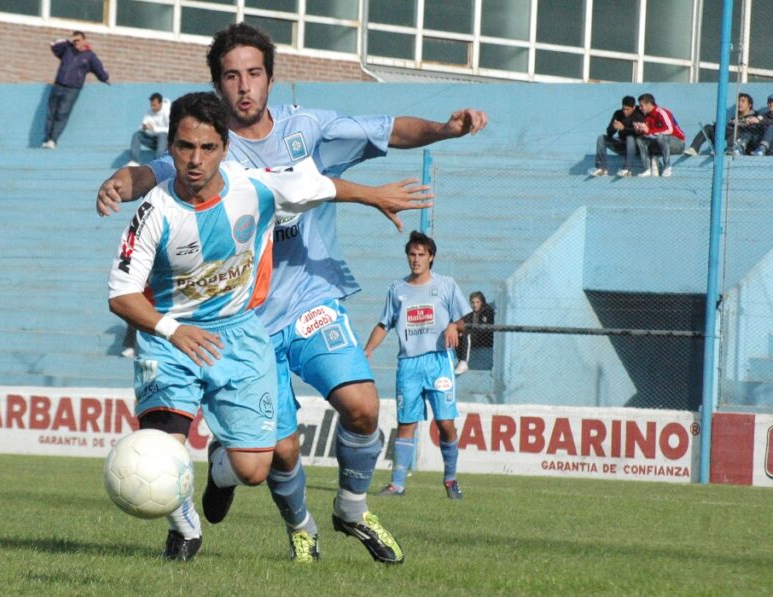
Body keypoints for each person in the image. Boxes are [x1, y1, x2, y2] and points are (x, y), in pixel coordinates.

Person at [97, 23, 486, 565]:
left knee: (361, 406)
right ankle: (293, 520)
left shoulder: (311, 130)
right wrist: (123, 181)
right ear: (217, 85)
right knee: (275, 457)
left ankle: (351, 510)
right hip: (246, 319)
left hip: (309, 300)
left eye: (254, 73)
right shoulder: (207, 148)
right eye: (231, 76)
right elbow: (153, 174)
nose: (244, 87)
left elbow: (387, 131)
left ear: (270, 78)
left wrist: (445, 129)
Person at [363, 231, 470, 499]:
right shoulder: (397, 289)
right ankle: (397, 484)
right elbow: (384, 323)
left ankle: (450, 479)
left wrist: (452, 326)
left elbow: (462, 321)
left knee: (445, 423)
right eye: (412, 254)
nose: (416, 259)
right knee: (406, 422)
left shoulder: (446, 285)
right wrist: (367, 350)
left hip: (438, 362)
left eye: (421, 254)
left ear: (431, 257)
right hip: (408, 364)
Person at [41, 31, 110, 149]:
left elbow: (98, 69)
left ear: (84, 41)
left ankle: (53, 139)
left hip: (72, 89)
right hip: (58, 85)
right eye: (74, 40)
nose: (75, 42)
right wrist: (67, 41)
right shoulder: (67, 50)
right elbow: (53, 45)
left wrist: (105, 78)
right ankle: (46, 139)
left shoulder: (90, 56)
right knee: (51, 113)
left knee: (62, 114)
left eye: (78, 40)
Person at [684, 93, 762, 157]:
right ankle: (694, 148)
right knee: (709, 127)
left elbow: (753, 132)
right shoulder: (734, 118)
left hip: (740, 144)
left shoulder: (755, 116)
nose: (739, 103)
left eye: (743, 101)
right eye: (738, 101)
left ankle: (722, 150)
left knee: (737, 130)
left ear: (750, 105)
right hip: (727, 138)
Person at [588, 95, 644, 178]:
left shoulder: (639, 114)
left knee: (630, 138)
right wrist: (613, 128)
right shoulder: (618, 114)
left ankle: (627, 169)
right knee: (601, 138)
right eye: (623, 109)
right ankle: (601, 168)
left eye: (627, 109)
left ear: (633, 108)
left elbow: (640, 133)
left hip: (635, 146)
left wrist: (623, 128)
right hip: (621, 144)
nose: (625, 111)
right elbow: (609, 133)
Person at [633, 93, 685, 177]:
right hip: (661, 145)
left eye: (641, 105)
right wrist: (639, 130)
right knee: (640, 140)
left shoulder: (662, 112)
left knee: (661, 137)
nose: (640, 108)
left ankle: (667, 167)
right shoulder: (647, 117)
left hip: (677, 143)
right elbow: (649, 134)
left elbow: (669, 129)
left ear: (649, 104)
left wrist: (649, 131)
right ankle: (647, 169)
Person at [456, 290, 494, 373]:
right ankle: (460, 361)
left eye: (477, 302)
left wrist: (466, 331)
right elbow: (462, 321)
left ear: (482, 302)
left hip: (484, 340)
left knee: (467, 334)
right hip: (472, 338)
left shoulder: (487, 311)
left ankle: (464, 362)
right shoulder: (470, 313)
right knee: (459, 334)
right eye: (472, 302)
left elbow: (484, 327)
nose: (475, 305)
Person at [128, 92, 171, 166]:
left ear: (160, 104)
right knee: (137, 135)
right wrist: (144, 127)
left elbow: (172, 129)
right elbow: (141, 126)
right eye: (151, 105)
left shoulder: (167, 111)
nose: (152, 107)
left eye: (154, 105)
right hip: (154, 141)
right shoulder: (149, 112)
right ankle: (134, 161)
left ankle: (158, 163)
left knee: (162, 135)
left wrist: (154, 129)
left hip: (168, 142)